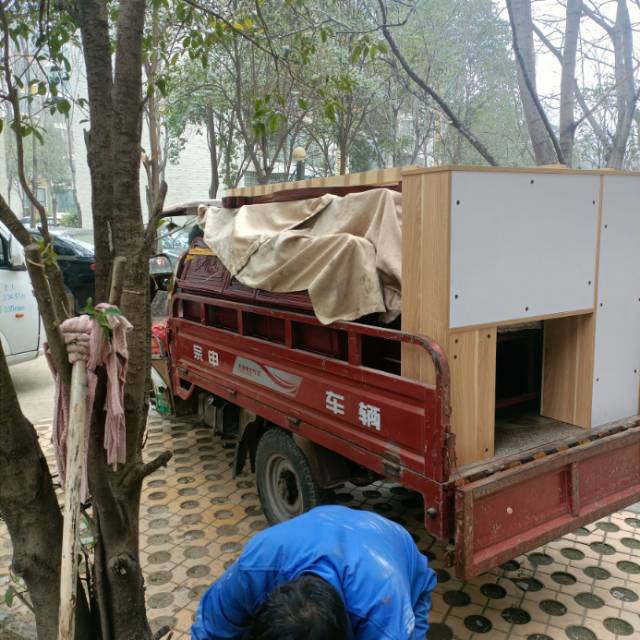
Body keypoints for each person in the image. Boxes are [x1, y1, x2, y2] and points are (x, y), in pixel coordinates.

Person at [191, 505, 436, 640]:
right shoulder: (254, 569)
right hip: (323, 528)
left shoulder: (385, 619)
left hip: (396, 557)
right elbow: (209, 630)